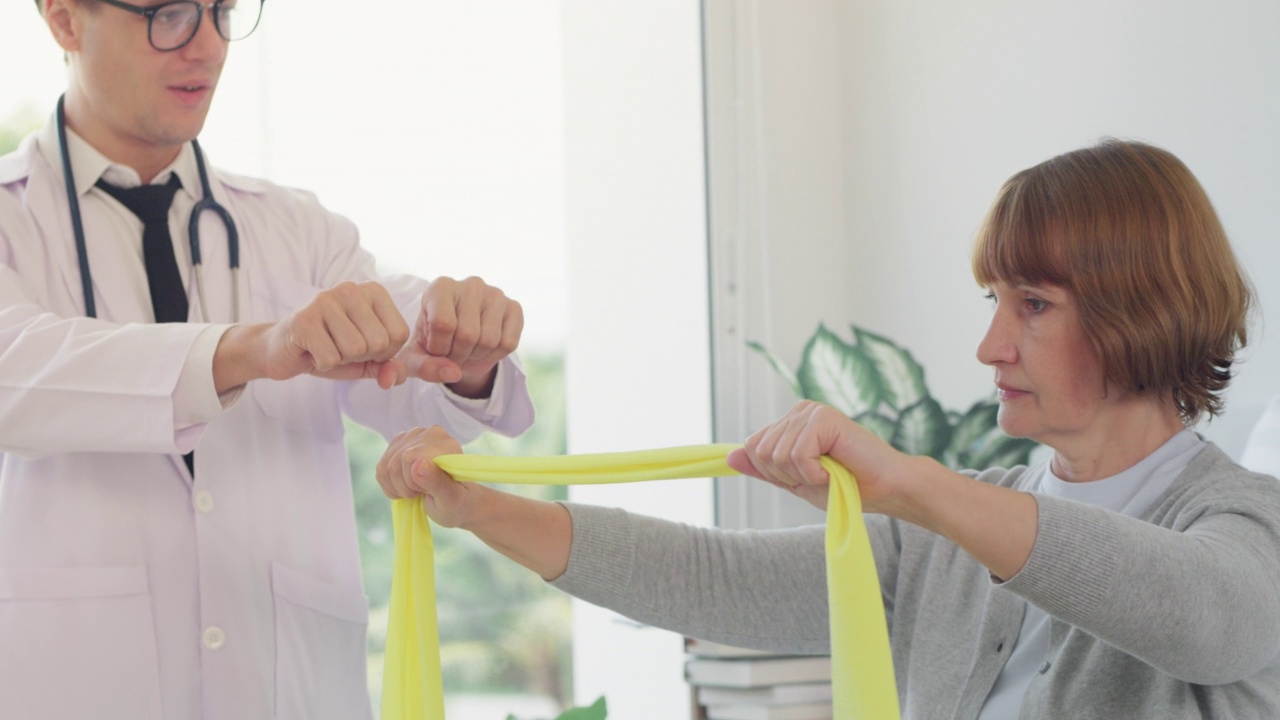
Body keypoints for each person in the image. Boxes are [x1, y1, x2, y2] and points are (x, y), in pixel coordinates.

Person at [378, 139, 1280, 718]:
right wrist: (475, 507)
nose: (990, 345)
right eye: (992, 301)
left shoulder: (1245, 522)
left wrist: (914, 486)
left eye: (1033, 305)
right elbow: (709, 580)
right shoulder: (944, 542)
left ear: (1143, 310)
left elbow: (1203, 619)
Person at [0, 1, 535, 719]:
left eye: (222, 11)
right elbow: (17, 373)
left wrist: (464, 348)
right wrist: (253, 349)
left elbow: (412, 371)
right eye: (170, 15)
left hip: (290, 689)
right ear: (65, 19)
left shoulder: (298, 230)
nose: (209, 46)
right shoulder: (10, 219)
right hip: (76, 683)